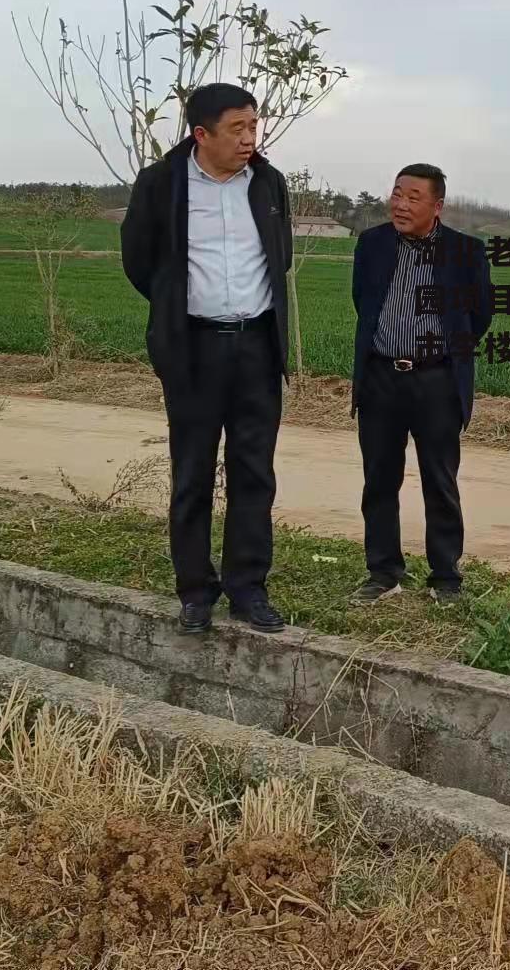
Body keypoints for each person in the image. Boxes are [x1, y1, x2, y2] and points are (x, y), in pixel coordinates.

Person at [121, 82, 293, 636]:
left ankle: (249, 588)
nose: (249, 139)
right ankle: (196, 590)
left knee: (254, 471)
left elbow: (279, 254)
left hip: (257, 346)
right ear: (202, 134)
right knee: (193, 471)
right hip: (193, 349)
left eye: (253, 126)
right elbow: (139, 260)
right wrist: (179, 308)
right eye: (236, 129)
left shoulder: (268, 183)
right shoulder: (162, 183)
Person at [349, 164, 492, 605]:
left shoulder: (466, 252)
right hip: (380, 378)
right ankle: (383, 571)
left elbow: (478, 317)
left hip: (436, 382)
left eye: (413, 197)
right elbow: (364, 303)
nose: (401, 204)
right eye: (396, 194)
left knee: (440, 480)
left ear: (437, 205)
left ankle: (446, 576)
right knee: (379, 480)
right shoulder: (372, 244)